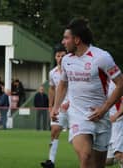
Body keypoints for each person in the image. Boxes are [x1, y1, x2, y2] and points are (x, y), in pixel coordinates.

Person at [52, 18, 123, 168]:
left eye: (66, 38)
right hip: (78, 116)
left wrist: (104, 109)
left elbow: (121, 83)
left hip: (101, 119)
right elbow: (63, 84)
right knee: (85, 156)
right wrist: (55, 107)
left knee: (97, 165)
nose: (63, 42)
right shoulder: (66, 60)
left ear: (77, 40)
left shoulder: (102, 58)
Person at [41, 44, 69, 168]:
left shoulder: (72, 70)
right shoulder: (52, 73)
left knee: (80, 136)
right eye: (58, 56)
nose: (61, 58)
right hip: (59, 107)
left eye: (63, 55)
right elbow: (52, 89)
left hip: (74, 107)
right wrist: (51, 106)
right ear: (55, 57)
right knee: (54, 131)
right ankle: (51, 161)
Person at [106, 81, 123, 167]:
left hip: (118, 122)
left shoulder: (117, 82)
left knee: (119, 154)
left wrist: (116, 116)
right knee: (108, 161)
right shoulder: (100, 83)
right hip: (107, 124)